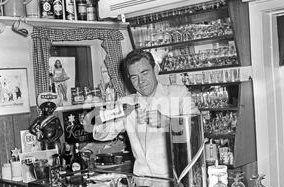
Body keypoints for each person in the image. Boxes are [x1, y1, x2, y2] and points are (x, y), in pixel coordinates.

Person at [83, 49, 198, 178]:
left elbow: (196, 131)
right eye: (134, 77)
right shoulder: (126, 103)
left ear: (155, 70)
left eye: (144, 73)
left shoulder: (179, 94)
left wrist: (168, 122)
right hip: (142, 183)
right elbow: (100, 135)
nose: (140, 81)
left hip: (174, 180)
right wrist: (105, 116)